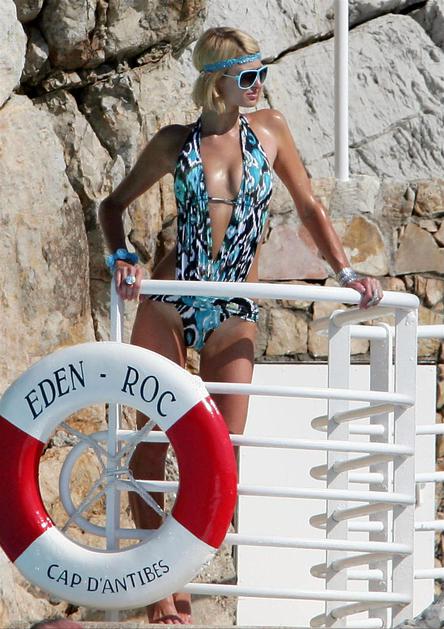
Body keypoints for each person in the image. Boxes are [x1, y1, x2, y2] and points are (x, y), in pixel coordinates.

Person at [99, 26, 383, 625]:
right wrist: (122, 255)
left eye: (262, 74)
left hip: (233, 307)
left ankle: (177, 570)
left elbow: (309, 206)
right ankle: (161, 591)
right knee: (153, 442)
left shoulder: (271, 130)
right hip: (171, 298)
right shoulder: (175, 142)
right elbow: (112, 207)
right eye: (248, 76)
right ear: (216, 84)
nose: (259, 86)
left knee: (221, 456)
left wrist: (347, 271)